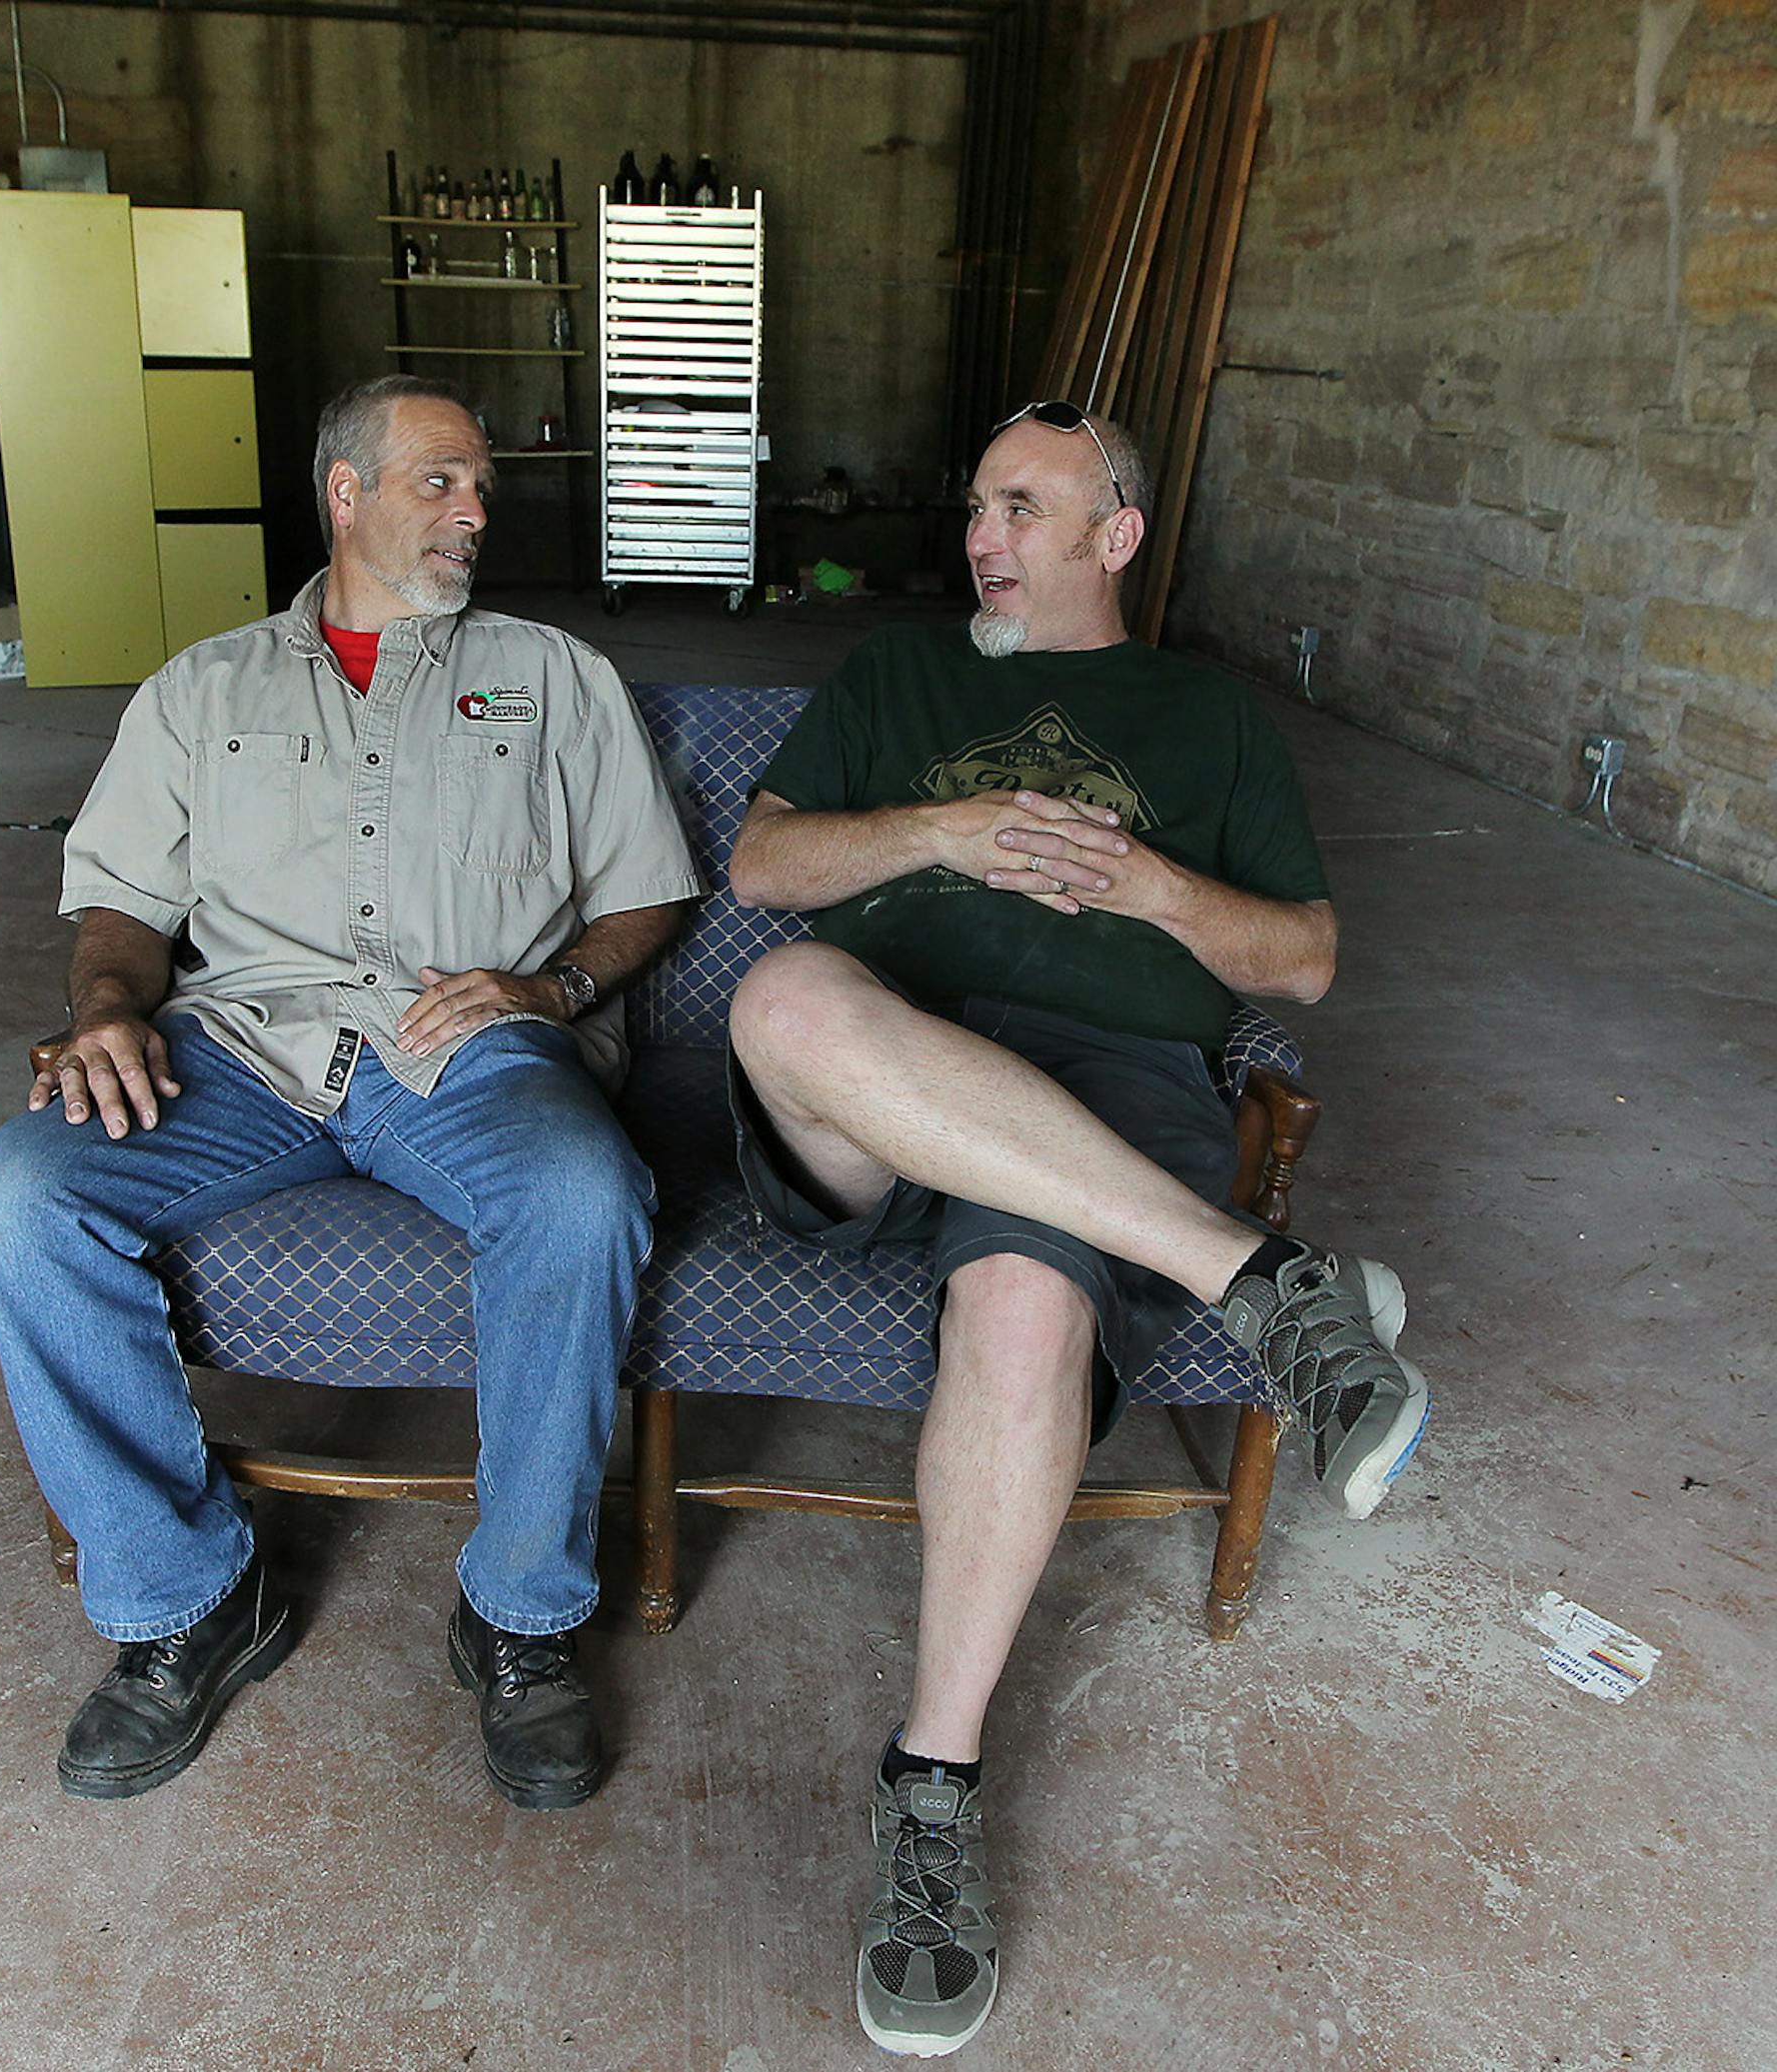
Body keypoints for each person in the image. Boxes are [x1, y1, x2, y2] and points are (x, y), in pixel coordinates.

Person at [725, 402, 1430, 2056]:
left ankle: (932, 1792)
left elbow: (1305, 959)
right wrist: (942, 830)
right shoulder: (897, 681)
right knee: (784, 996)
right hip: (885, 1068)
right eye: (977, 504)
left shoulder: (1207, 718)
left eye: (1022, 506)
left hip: (1115, 1084)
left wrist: (1153, 890)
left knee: (1030, 1301)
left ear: (1114, 534)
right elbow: (761, 863)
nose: (983, 533)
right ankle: (1263, 1283)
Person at [0, 375, 701, 1811]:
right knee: (17, 1192)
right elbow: (117, 908)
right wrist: (108, 1010)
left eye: (481, 484)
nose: (476, 509)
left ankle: (524, 1618)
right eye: (441, 480)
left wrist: (550, 993)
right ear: (345, 494)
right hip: (242, 1045)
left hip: (464, 1044)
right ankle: (186, 1599)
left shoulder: (552, 677)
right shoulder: (203, 688)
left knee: (580, 1188)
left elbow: (647, 893)